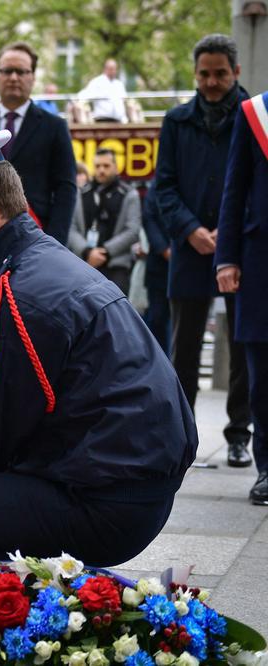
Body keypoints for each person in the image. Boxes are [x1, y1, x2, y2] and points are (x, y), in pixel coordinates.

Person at [0, 130, 197, 565]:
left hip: (104, 504)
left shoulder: (20, 294)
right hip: (129, 486)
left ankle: (20, 606)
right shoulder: (42, 262)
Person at [154, 33, 251, 468]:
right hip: (191, 248)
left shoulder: (254, 118)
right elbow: (164, 186)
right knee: (184, 347)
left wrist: (229, 233)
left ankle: (238, 435)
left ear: (237, 73)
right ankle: (181, 436)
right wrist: (190, 229)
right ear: (195, 74)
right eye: (204, 74)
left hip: (242, 248)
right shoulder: (176, 121)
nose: (212, 82)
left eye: (221, 74)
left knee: (244, 345)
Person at [0, 42, 77, 246]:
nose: (14, 77)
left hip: (36, 237)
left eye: (21, 71)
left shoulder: (54, 126)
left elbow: (65, 187)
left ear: (33, 77)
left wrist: (55, 242)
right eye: (7, 71)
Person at [215, 88, 268, 505]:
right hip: (260, 263)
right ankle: (267, 468)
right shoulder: (255, 113)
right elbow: (235, 190)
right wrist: (227, 258)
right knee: (262, 374)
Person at [67, 147, 142, 295]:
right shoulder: (81, 193)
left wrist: (106, 252)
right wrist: (87, 251)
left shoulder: (129, 194)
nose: (101, 170)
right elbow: (71, 227)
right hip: (85, 263)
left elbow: (133, 230)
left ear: (115, 167)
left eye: (106, 166)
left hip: (117, 265)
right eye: (97, 166)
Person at [142, 187, 172, 354]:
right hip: (159, 266)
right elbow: (149, 219)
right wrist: (164, 249)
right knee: (157, 319)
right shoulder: (155, 188)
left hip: (187, 259)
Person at [77, 59, 129, 123]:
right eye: (111, 69)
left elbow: (124, 100)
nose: (113, 71)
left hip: (119, 121)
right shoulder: (97, 82)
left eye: (115, 69)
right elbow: (82, 96)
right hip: (102, 120)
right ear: (105, 69)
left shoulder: (119, 84)